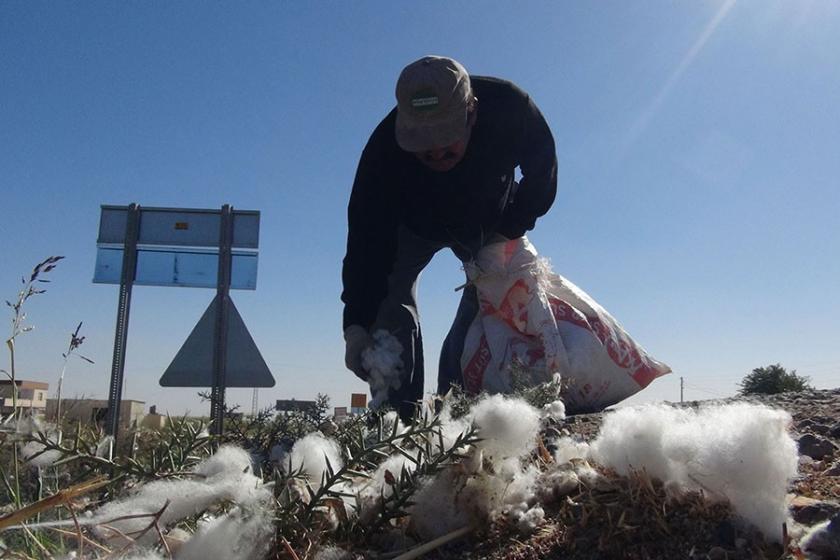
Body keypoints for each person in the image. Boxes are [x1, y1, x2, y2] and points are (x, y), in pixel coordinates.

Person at [341, 55, 557, 420]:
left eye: (447, 140)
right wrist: (356, 325)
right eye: (423, 145)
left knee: (486, 308)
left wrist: (514, 224)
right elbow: (364, 241)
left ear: (472, 113)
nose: (437, 153)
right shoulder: (381, 152)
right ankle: (397, 420)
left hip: (487, 223)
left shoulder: (510, 107)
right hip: (410, 229)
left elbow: (543, 170)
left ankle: (457, 415)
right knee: (389, 307)